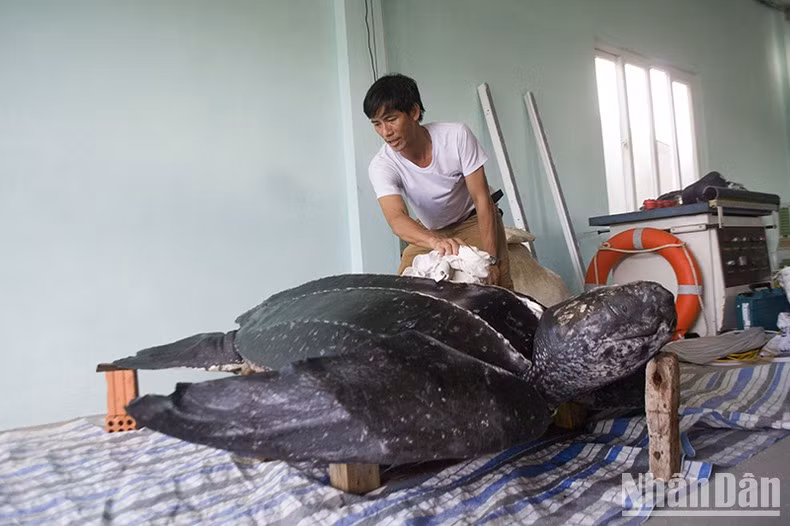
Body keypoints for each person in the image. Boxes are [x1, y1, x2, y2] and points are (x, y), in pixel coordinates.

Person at [363, 73, 513, 289]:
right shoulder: (381, 165)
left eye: (391, 119)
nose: (385, 132)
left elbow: (482, 199)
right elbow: (396, 218)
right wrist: (435, 241)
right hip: (430, 231)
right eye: (376, 124)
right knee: (403, 293)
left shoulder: (456, 137)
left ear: (414, 112)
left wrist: (491, 261)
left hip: (471, 220)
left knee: (497, 290)